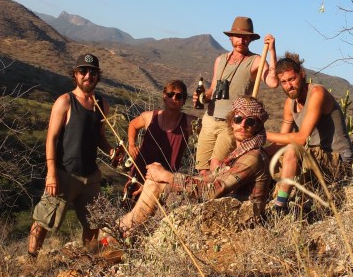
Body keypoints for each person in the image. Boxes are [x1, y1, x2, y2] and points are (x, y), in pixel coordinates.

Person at [110, 96, 272, 238]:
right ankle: (121, 232)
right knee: (156, 184)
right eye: (238, 119)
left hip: (240, 223)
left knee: (160, 185)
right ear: (231, 121)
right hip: (227, 212)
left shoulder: (253, 156)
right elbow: (207, 179)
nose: (242, 125)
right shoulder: (239, 153)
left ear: (258, 127)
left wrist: (168, 176)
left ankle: (117, 234)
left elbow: (212, 190)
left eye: (250, 122)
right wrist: (164, 179)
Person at [28, 53, 120, 256]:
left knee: (93, 224)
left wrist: (112, 151)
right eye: (83, 71)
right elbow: (51, 138)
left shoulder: (101, 104)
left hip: (90, 176)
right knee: (44, 219)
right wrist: (51, 173)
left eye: (93, 72)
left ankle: (89, 261)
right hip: (64, 174)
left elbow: (100, 138)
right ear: (75, 74)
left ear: (98, 75)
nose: (88, 75)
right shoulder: (65, 101)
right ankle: (31, 259)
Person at [265, 52, 353, 210]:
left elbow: (300, 139)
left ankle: (280, 205)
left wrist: (263, 134)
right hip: (312, 158)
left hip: (336, 159)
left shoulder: (317, 93)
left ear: (302, 74)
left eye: (292, 79)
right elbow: (280, 141)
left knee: (292, 149)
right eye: (284, 82)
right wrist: (259, 151)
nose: (289, 85)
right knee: (266, 158)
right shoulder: (289, 103)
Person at [193, 16, 277, 174]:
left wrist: (272, 51)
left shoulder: (256, 60)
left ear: (251, 39)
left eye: (246, 37)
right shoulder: (220, 60)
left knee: (217, 168)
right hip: (210, 119)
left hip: (233, 124)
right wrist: (203, 97)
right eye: (238, 36)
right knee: (202, 170)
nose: (242, 40)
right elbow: (213, 89)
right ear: (231, 37)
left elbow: (273, 82)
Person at [124, 80, 197, 204]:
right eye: (170, 94)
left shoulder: (189, 123)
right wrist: (131, 145)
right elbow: (133, 125)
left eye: (179, 96)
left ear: (184, 101)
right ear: (164, 96)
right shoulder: (149, 117)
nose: (174, 98)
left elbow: (210, 131)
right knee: (129, 208)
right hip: (139, 175)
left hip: (164, 181)